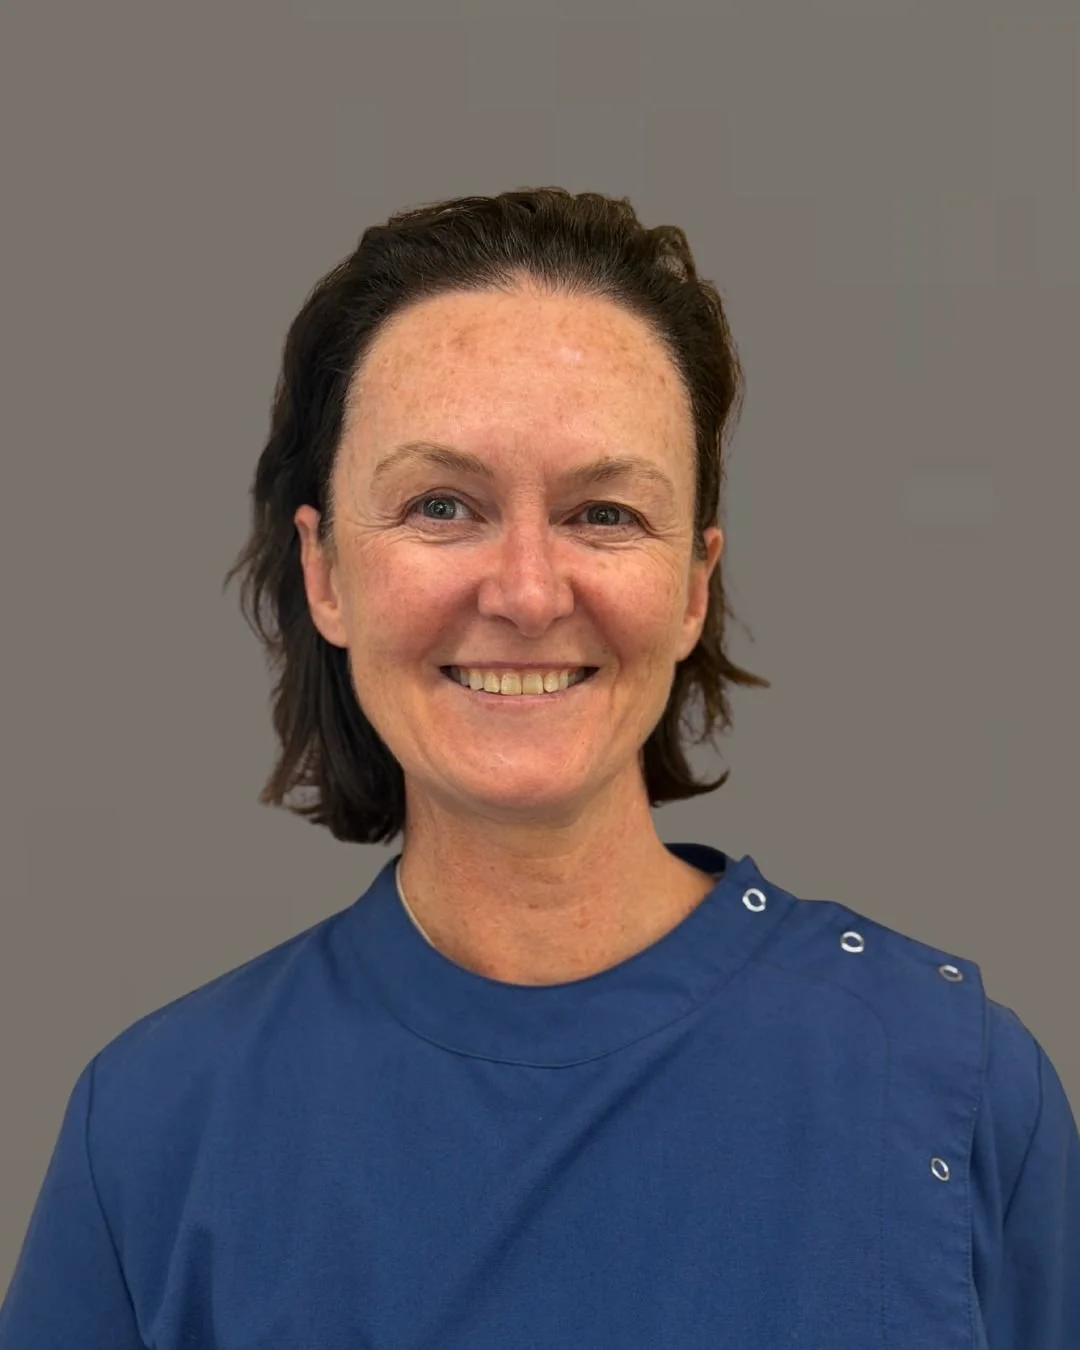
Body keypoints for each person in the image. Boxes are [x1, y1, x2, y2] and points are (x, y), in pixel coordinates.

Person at [1, 187, 1077, 1347]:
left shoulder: (950, 1081)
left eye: (604, 513)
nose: (524, 591)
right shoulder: (156, 1129)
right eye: (442, 504)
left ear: (693, 586)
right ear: (324, 575)